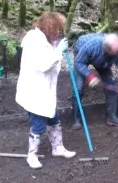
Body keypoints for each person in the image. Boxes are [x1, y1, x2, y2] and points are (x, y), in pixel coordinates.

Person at [15, 12, 76, 169]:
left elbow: (53, 60)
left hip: (45, 91)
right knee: (39, 125)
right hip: (34, 92)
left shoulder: (47, 40)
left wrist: (58, 46)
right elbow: (44, 65)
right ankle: (32, 155)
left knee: (54, 119)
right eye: (57, 30)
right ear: (49, 28)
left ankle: (58, 148)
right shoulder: (34, 41)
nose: (58, 33)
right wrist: (58, 50)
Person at [70, 33, 118, 129]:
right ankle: (76, 120)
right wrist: (90, 76)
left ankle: (112, 118)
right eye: (115, 53)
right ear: (106, 49)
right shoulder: (92, 46)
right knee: (78, 87)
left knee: (111, 85)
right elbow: (79, 62)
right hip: (81, 54)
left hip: (102, 60)